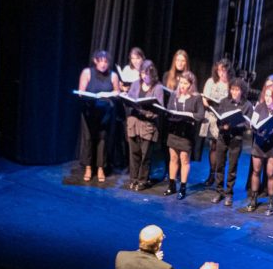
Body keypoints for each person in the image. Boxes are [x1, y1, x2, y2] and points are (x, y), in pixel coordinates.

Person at [244, 77, 273, 215]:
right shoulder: (260, 106)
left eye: (271, 96)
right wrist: (258, 126)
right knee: (256, 171)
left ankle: (271, 202)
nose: (267, 98)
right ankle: (253, 199)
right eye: (267, 95)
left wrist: (272, 129)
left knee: (270, 174)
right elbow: (253, 122)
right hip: (259, 143)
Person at [76, 50, 121, 183]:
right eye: (100, 61)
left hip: (105, 112)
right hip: (90, 111)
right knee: (88, 139)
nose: (103, 64)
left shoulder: (113, 75)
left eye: (106, 62)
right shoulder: (87, 72)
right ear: (95, 61)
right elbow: (81, 92)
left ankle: (101, 167)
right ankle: (88, 167)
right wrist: (87, 96)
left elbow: (117, 92)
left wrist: (109, 94)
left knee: (103, 140)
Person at [162, 71, 204, 200]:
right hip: (174, 131)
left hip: (186, 133)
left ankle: (183, 188)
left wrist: (191, 115)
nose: (182, 86)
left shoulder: (196, 98)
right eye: (181, 82)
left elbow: (200, 115)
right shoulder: (174, 95)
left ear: (191, 85)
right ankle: (172, 185)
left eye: (185, 83)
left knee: (184, 159)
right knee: (173, 158)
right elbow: (168, 110)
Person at [123, 59, 162, 190]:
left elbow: (159, 110)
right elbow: (129, 100)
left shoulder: (158, 88)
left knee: (145, 155)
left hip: (147, 125)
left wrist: (145, 112)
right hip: (134, 123)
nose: (145, 76)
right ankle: (133, 179)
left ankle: (142, 180)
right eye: (143, 74)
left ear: (153, 74)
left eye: (148, 74)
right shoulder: (135, 84)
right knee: (134, 153)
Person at [210, 80, 249, 206]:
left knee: (232, 168)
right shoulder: (224, 102)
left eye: (237, 90)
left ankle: (229, 193)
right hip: (223, 137)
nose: (234, 92)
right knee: (219, 165)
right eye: (232, 89)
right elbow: (218, 119)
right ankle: (219, 191)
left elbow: (247, 124)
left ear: (242, 91)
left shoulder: (246, 105)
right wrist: (222, 125)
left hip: (236, 139)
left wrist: (233, 125)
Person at [201, 58, 232, 186]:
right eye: (219, 70)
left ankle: (220, 175)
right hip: (212, 116)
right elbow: (204, 98)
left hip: (224, 118)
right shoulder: (211, 81)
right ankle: (211, 174)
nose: (221, 73)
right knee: (212, 146)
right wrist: (208, 104)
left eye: (223, 70)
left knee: (222, 147)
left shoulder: (231, 84)